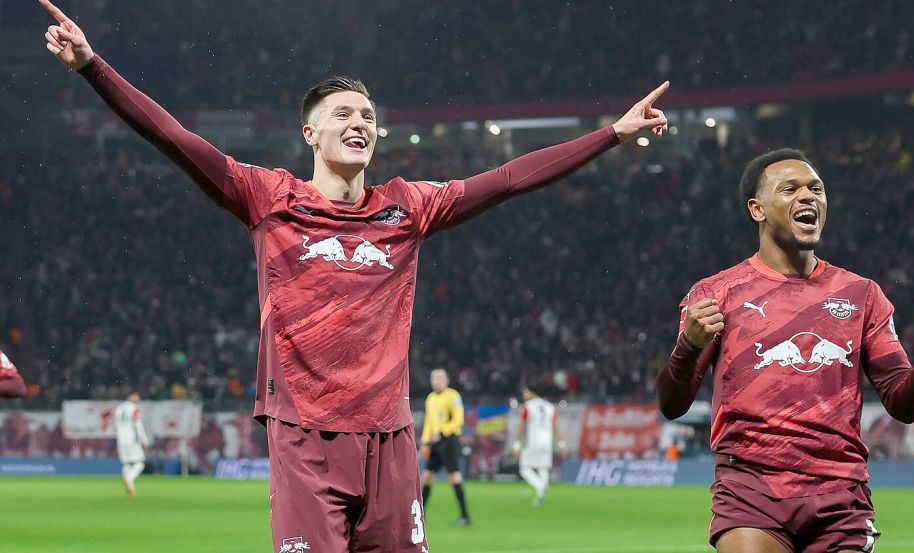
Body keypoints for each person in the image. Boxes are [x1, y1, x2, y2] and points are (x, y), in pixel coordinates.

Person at [40, 1, 669, 549]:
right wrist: (94, 66)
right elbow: (172, 137)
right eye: (343, 113)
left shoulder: (409, 207)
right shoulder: (267, 196)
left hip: (391, 436)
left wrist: (611, 134)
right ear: (310, 133)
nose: (359, 123)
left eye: (367, 115)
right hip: (306, 435)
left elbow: (506, 180)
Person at [656, 148, 914, 553]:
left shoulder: (861, 294)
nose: (808, 196)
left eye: (816, 188)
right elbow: (672, 404)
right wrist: (687, 347)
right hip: (750, 490)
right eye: (790, 188)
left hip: (840, 495)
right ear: (757, 209)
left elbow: (903, 404)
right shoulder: (715, 293)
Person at [420, 369, 471, 526]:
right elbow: (428, 421)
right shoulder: (430, 398)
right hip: (435, 443)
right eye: (434, 378)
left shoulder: (453, 396)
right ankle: (421, 517)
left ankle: (465, 516)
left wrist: (442, 432)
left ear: (447, 380)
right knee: (427, 477)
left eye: (440, 378)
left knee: (454, 476)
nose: (437, 381)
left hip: (449, 441)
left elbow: (458, 419)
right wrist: (424, 441)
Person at [512, 385, 565, 507]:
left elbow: (522, 426)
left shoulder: (528, 407)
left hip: (532, 441)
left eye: (526, 392)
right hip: (547, 441)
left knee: (524, 468)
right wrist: (561, 443)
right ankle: (542, 491)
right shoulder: (549, 407)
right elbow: (555, 425)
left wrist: (517, 445)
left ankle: (540, 487)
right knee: (543, 468)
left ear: (532, 393)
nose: (524, 395)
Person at [114, 392, 150, 497]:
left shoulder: (119, 409)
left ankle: (131, 489)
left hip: (121, 439)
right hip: (132, 439)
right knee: (140, 463)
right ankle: (129, 479)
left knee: (127, 463)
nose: (138, 398)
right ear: (129, 396)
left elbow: (116, 425)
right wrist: (144, 441)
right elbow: (138, 425)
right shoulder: (134, 409)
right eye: (135, 395)